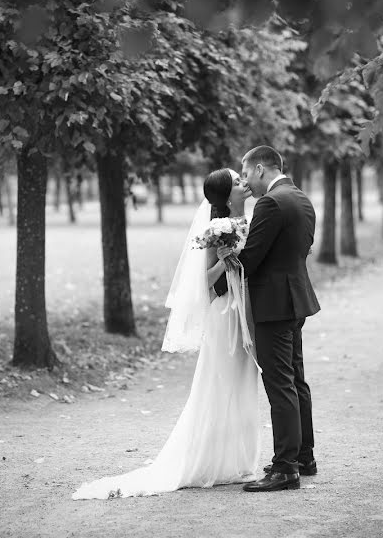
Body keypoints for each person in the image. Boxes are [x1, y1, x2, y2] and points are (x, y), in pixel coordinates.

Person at [72, 168, 261, 500]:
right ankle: (207, 461)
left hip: (249, 312)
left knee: (245, 385)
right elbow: (203, 283)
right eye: (236, 182)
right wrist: (224, 259)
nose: (243, 184)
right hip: (225, 315)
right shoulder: (215, 230)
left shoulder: (255, 218)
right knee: (220, 384)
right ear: (225, 195)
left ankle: (238, 461)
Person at [218, 145, 320, 492]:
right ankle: (304, 456)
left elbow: (252, 259)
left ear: (261, 169)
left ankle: (285, 468)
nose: (245, 181)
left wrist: (227, 258)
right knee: (296, 380)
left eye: (246, 174)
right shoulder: (301, 198)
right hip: (296, 300)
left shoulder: (270, 203)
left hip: (274, 306)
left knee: (280, 385)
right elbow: (302, 248)